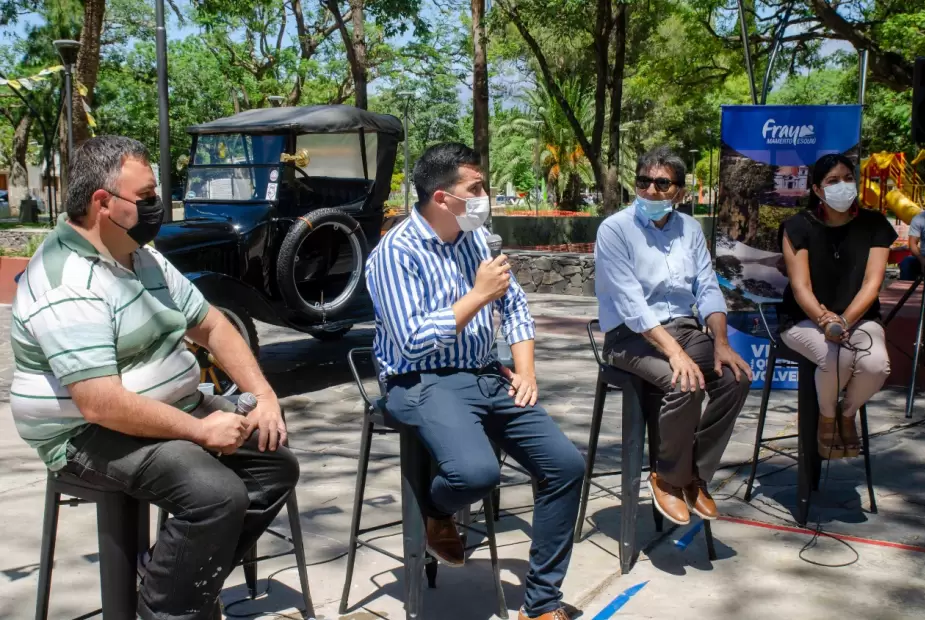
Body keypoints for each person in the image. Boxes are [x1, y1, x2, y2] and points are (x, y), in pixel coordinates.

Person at [10, 136, 299, 620]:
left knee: (274, 466)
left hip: (171, 406)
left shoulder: (139, 256)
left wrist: (262, 395)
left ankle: (171, 578)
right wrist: (202, 430)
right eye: (145, 196)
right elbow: (100, 403)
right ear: (103, 203)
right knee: (215, 496)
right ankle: (169, 606)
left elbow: (211, 324)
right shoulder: (67, 282)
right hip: (86, 432)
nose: (157, 205)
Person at [365, 143, 585, 620]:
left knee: (566, 466)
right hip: (418, 380)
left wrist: (526, 371)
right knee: (477, 473)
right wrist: (478, 295)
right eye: (477, 188)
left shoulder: (477, 239)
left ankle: (541, 604)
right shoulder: (394, 254)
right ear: (442, 198)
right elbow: (412, 342)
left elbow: (516, 306)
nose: (486, 197)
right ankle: (436, 509)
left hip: (485, 373)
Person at [594, 145, 752, 527]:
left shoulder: (690, 229)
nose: (650, 190)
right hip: (629, 335)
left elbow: (707, 288)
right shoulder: (615, 229)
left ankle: (694, 474)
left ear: (679, 191)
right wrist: (674, 354)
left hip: (684, 327)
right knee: (684, 383)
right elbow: (632, 304)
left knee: (736, 377)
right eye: (643, 181)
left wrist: (721, 343)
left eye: (662, 183)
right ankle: (667, 477)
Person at [779, 153, 896, 459]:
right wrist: (825, 320)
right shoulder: (798, 226)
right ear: (817, 190)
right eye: (832, 181)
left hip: (860, 318)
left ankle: (847, 413)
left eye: (847, 178)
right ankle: (827, 418)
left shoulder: (874, 224)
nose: (842, 185)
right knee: (837, 358)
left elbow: (872, 284)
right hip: (804, 318)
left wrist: (843, 321)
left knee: (876, 365)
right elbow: (800, 287)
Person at [899, 189, 925, 281]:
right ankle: (907, 288)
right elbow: (912, 244)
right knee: (907, 262)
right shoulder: (920, 219)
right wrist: (922, 260)